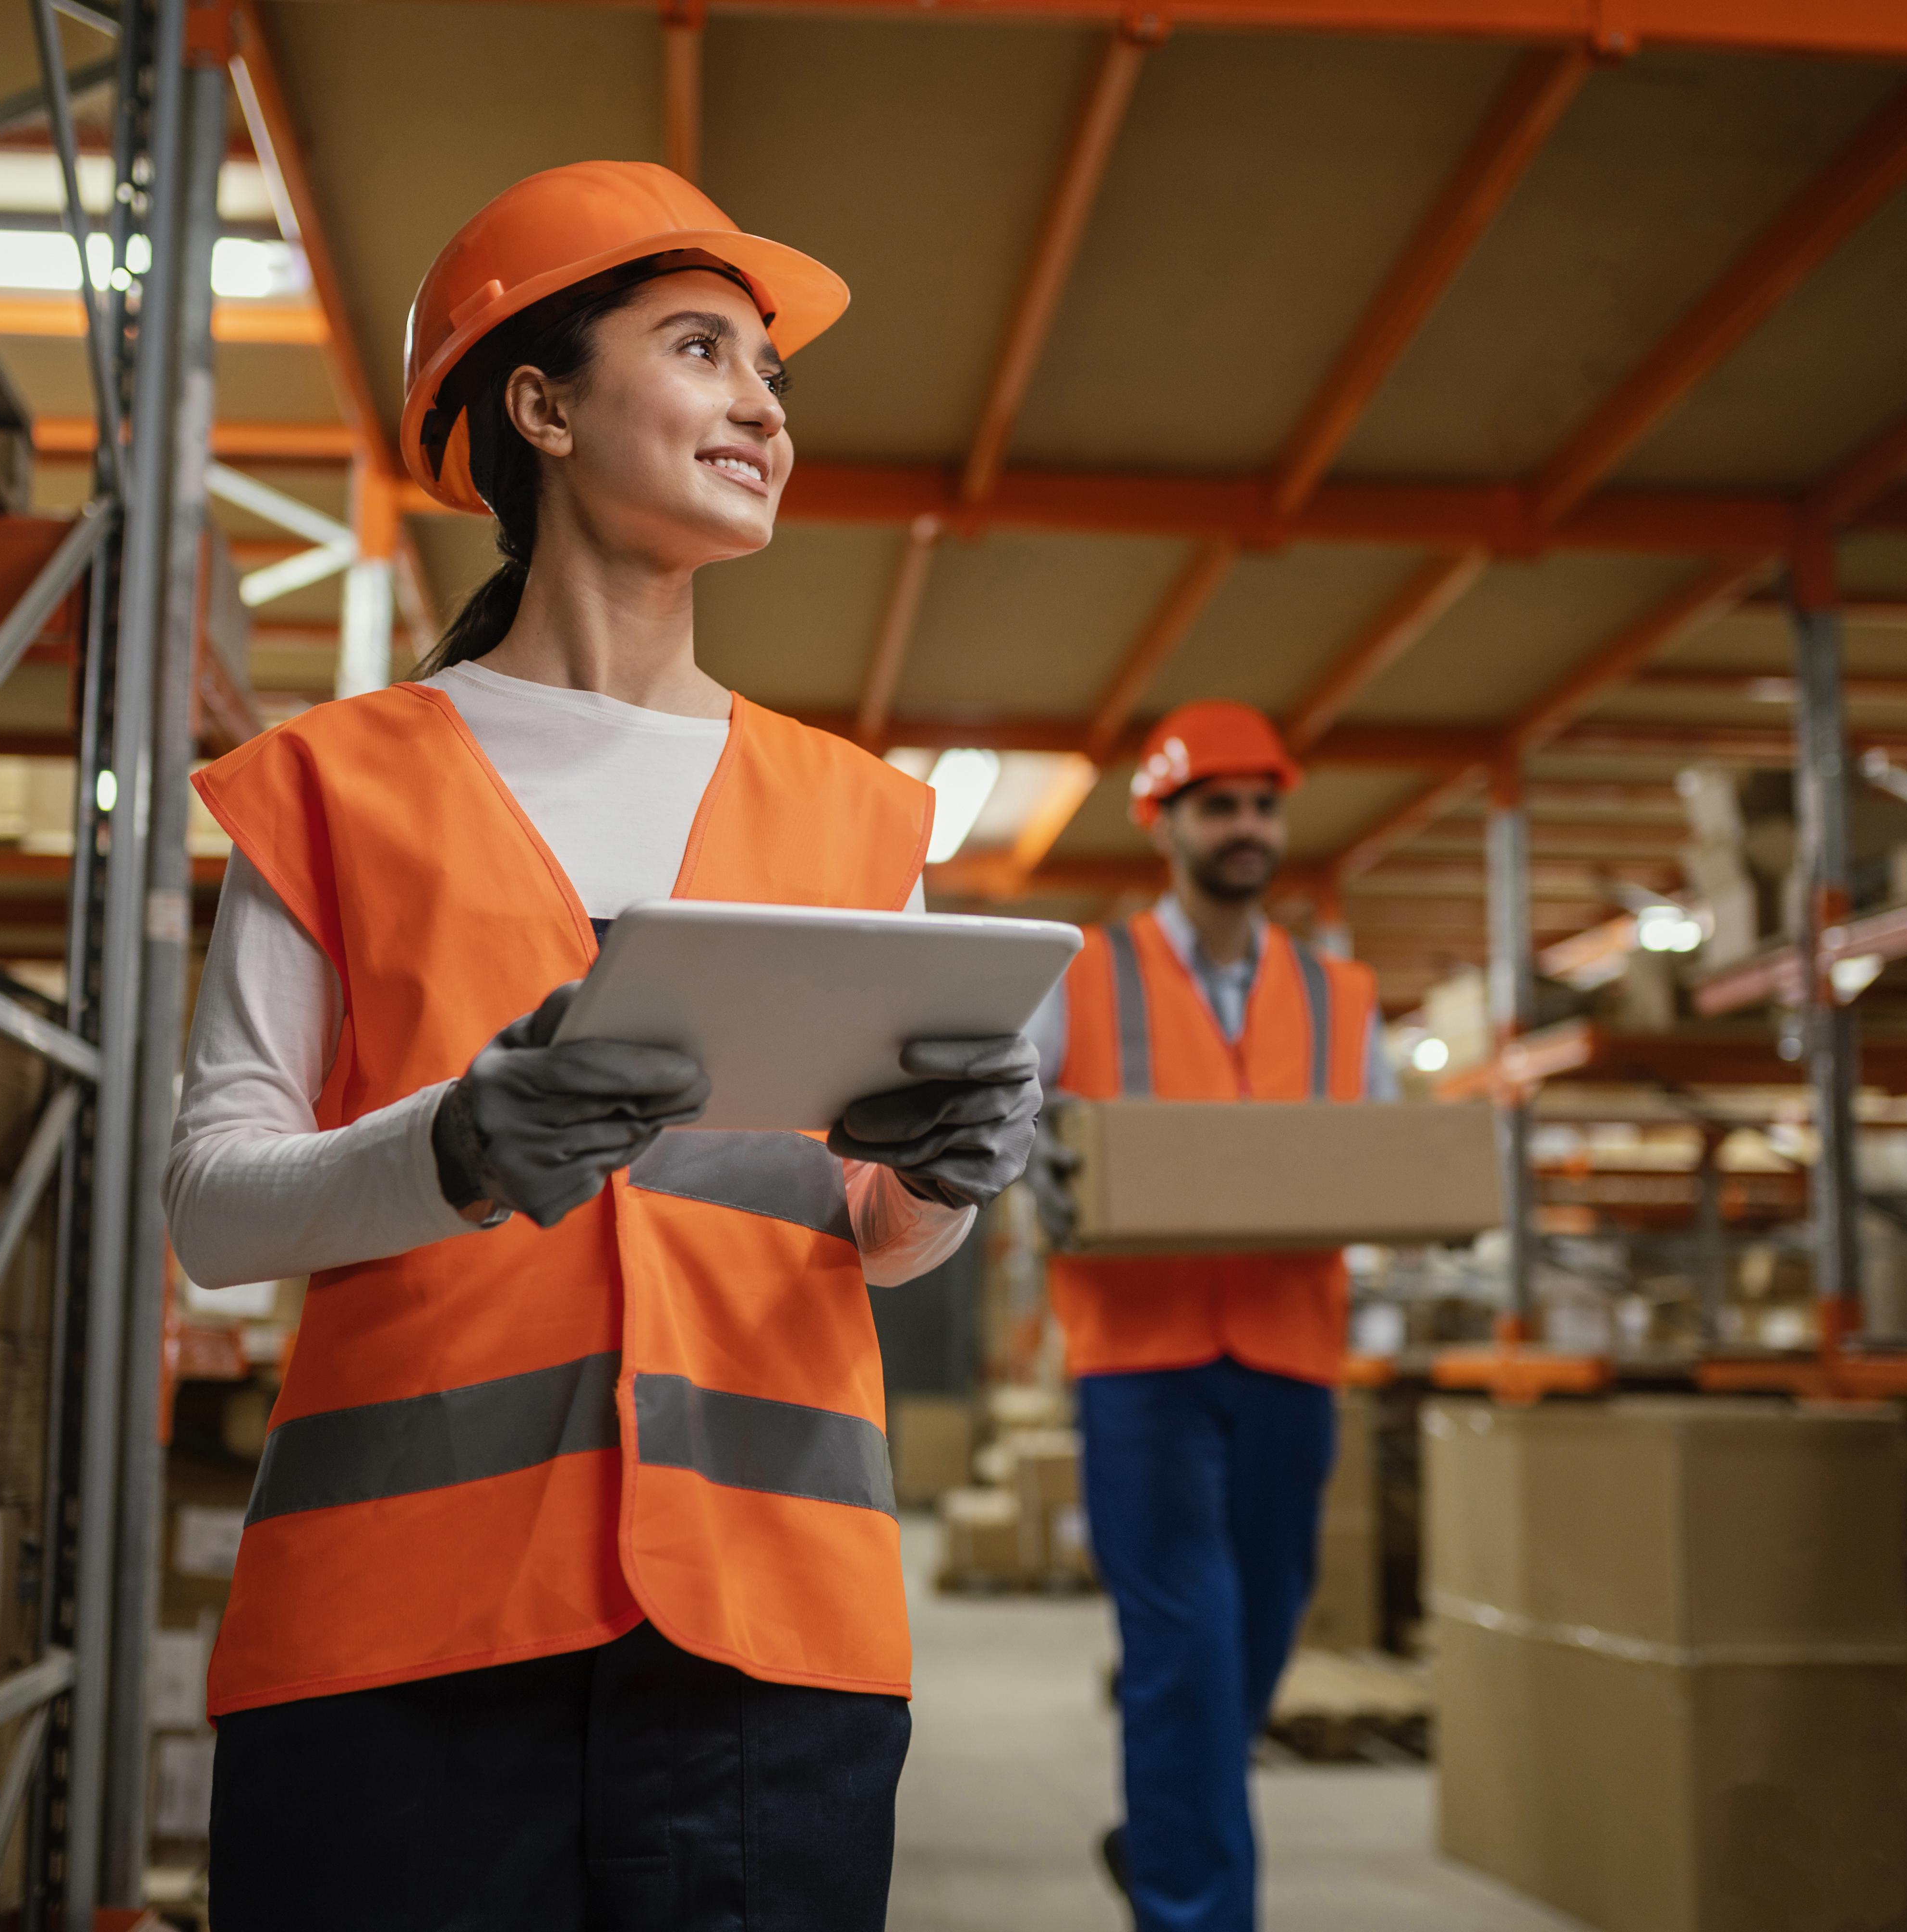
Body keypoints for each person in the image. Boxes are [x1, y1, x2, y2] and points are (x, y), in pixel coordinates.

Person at [164, 160, 1042, 1931]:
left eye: (771, 377)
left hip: (766, 1642)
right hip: (397, 1649)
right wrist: (454, 1149)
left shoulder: (864, 818)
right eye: (702, 349)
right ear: (541, 407)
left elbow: (868, 1236)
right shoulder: (337, 786)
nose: (758, 408)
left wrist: (945, 1184)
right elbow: (208, 1205)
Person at [1025, 700, 1387, 1932]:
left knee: (1257, 1637)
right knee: (1185, 1644)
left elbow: (1390, 1160)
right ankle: (1194, 1908)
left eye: (1263, 804)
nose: (1247, 826)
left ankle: (1161, 1830)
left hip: (1293, 1355)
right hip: (1142, 1363)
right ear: (1163, 821)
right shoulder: (1084, 972)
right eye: (1218, 804)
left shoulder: (1343, 994)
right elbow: (1026, 1142)